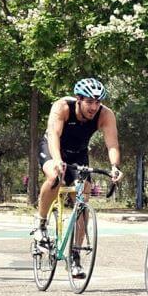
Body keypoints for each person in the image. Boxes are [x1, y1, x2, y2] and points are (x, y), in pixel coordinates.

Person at [34, 77, 122, 279]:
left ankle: (75, 256)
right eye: (89, 102)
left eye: (97, 102)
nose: (94, 107)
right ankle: (40, 223)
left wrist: (114, 167)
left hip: (78, 153)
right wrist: (57, 160)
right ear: (78, 99)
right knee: (55, 176)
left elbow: (112, 144)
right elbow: (54, 134)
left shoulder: (105, 115)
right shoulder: (62, 107)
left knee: (83, 197)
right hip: (53, 148)